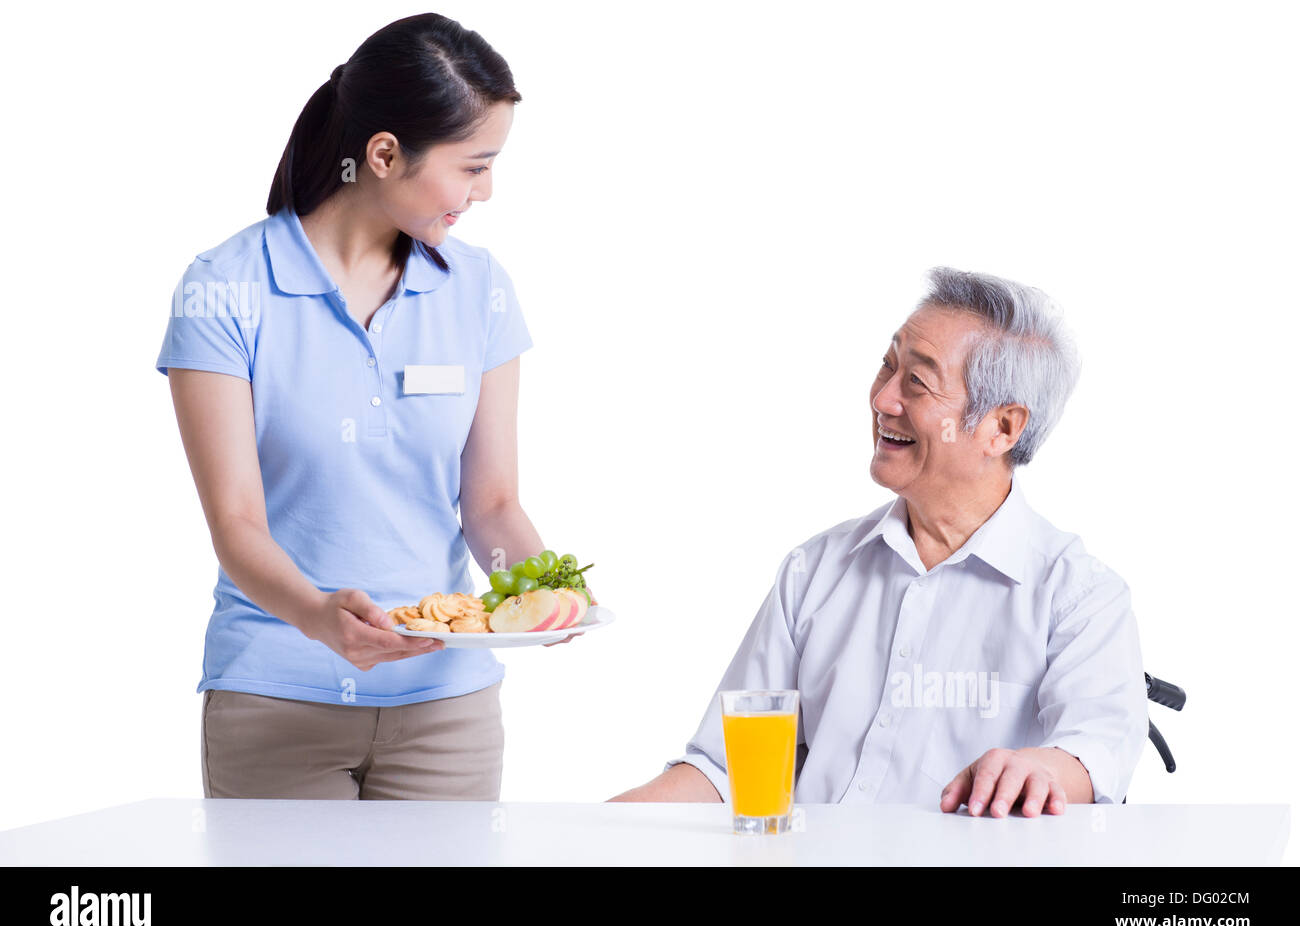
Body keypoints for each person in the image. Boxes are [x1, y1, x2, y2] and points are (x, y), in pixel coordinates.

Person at [156, 13, 563, 800]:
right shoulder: (225, 289)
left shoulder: (479, 289)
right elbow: (237, 525)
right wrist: (317, 616)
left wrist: (541, 591)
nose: (487, 191)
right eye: (473, 166)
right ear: (383, 155)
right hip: (276, 699)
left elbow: (492, 504)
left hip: (447, 711)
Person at [612, 267, 1149, 816]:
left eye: (917, 382)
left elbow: (1095, 751)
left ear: (1003, 428)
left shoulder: (1079, 595)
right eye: (888, 367)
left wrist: (1040, 768)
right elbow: (726, 773)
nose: (884, 398)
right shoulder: (814, 570)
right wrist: (589, 829)